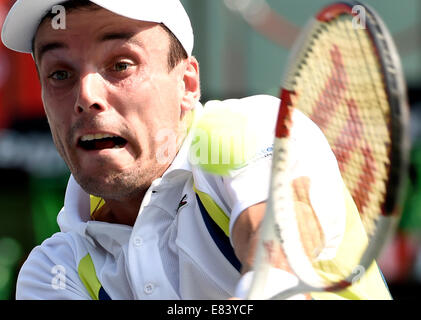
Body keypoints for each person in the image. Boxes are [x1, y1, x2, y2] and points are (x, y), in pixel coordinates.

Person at [1, 0, 391, 300]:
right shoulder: (53, 271)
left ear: (187, 85)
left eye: (120, 64)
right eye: (60, 74)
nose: (86, 96)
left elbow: (277, 244)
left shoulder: (252, 129)